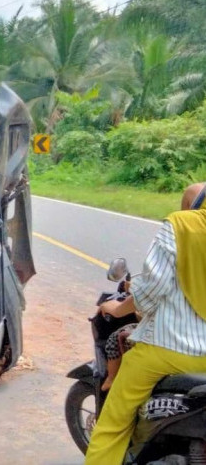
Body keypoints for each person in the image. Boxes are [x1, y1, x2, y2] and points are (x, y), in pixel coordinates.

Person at [86, 182, 206, 464]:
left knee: (113, 423)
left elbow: (152, 290)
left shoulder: (182, 226)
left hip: (169, 349)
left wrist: (118, 309)